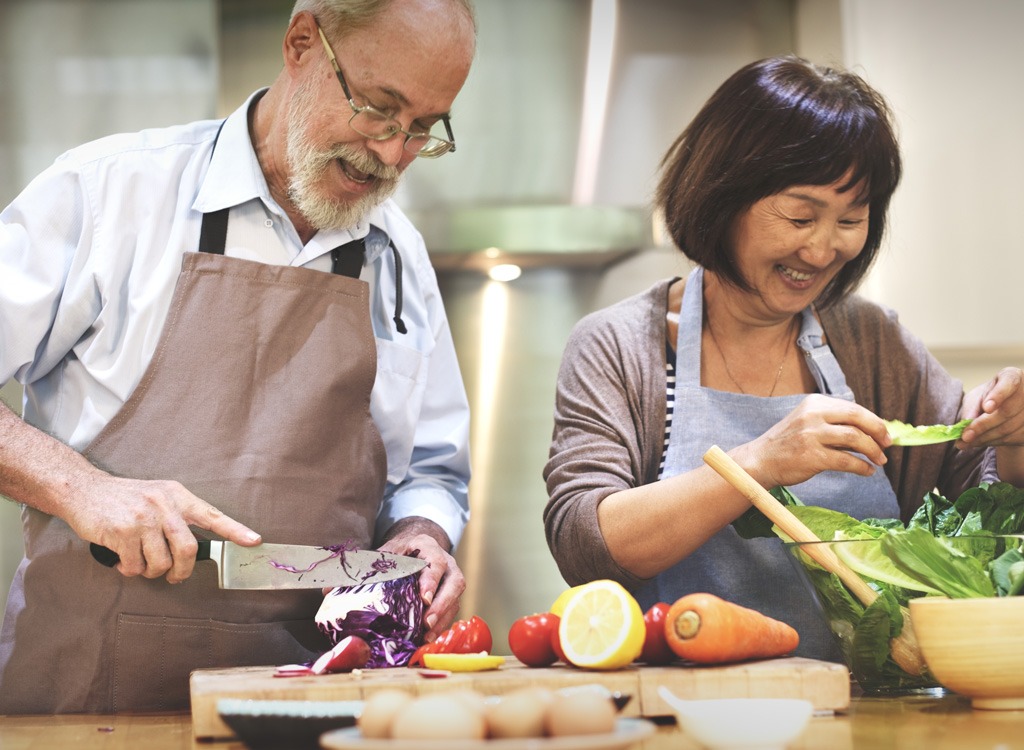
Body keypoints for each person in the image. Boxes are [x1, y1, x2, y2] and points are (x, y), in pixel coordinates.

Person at [0, 0, 476, 713]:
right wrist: (82, 488)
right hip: (89, 702)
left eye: (423, 129)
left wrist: (421, 532)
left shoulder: (399, 254)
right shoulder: (110, 193)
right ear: (303, 42)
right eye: (379, 109)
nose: (391, 153)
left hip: (320, 707)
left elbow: (432, 470)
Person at [543, 55, 1024, 662]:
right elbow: (585, 544)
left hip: (874, 707)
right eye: (800, 216)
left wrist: (1012, 439)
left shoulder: (871, 340)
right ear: (722, 198)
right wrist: (760, 462)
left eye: (851, 219)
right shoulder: (619, 346)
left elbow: (975, 515)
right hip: (686, 707)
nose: (824, 249)